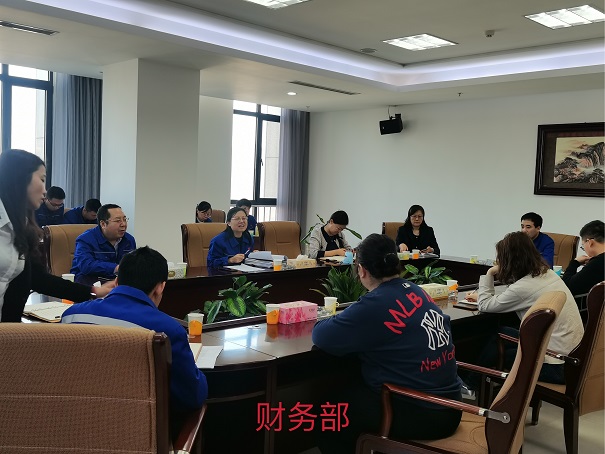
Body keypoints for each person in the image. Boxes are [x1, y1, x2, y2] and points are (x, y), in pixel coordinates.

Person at [312, 234, 461, 454]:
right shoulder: (416, 290)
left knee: (328, 415)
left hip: (424, 411)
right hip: (451, 404)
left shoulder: (377, 303)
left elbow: (321, 335)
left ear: (361, 270)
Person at [61, 246, 208, 434]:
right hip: (137, 434)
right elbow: (191, 397)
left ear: (116, 282)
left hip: (75, 427)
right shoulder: (168, 330)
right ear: (160, 287)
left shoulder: (71, 315)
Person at [0, 149, 113, 322]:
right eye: (42, 179)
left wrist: (94, 291)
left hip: (8, 329)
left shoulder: (20, 225)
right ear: (20, 178)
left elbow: (38, 279)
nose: (45, 191)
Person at [465, 231, 583, 389]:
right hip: (572, 360)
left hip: (555, 366)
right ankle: (476, 386)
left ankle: (470, 386)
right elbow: (519, 294)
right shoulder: (547, 273)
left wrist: (490, 272)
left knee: (497, 347)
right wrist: (483, 296)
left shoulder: (524, 287)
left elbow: (485, 305)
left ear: (509, 260)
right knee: (502, 332)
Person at [71, 203, 136, 283]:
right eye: (118, 221)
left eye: (125, 219)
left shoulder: (129, 240)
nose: (123, 224)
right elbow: (86, 265)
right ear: (103, 224)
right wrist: (115, 268)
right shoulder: (85, 239)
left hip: (116, 283)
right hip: (89, 283)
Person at [562, 220, 605, 296]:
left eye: (583, 246)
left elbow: (567, 287)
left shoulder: (597, 263)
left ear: (589, 242)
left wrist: (575, 263)